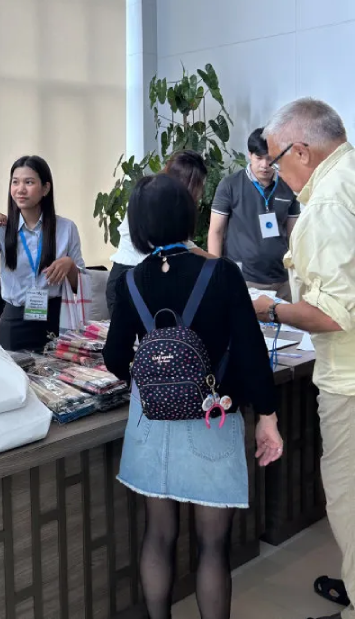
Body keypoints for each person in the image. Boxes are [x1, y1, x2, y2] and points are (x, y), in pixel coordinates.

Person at [104, 173, 283, 619]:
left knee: (158, 534)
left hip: (150, 423)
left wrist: (152, 378)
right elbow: (250, 351)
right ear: (188, 216)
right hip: (212, 418)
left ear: (139, 225)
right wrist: (267, 416)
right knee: (213, 545)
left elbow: (114, 356)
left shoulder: (131, 280)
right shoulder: (220, 273)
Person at [252, 99, 355, 619]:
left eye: (274, 158)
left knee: (349, 500)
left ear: (301, 151)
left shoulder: (327, 205)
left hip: (350, 382)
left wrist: (270, 309)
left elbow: (333, 313)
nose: (273, 171)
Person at [0, 155, 84, 352]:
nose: (20, 189)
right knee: (15, 371)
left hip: (56, 319)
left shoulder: (66, 228)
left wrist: (69, 265)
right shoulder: (1, 229)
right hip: (15, 321)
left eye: (29, 182)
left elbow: (80, 287)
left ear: (45, 188)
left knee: (57, 371)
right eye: (15, 182)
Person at [106, 149, 209, 315]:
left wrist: (218, 262)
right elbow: (178, 247)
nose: (200, 194)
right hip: (131, 280)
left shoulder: (163, 199)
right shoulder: (153, 201)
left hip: (146, 279)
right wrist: (220, 264)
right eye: (199, 186)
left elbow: (185, 246)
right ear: (187, 183)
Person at [208, 127, 300, 300]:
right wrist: (215, 271)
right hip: (242, 279)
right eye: (259, 158)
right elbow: (216, 231)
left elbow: (294, 236)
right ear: (250, 155)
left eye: (270, 158)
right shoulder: (230, 185)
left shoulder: (288, 187)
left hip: (282, 280)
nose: (265, 165)